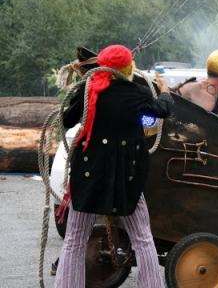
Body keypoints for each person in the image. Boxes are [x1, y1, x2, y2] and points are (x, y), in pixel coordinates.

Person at [55, 44, 173, 287]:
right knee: (142, 238)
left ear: (103, 66)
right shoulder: (138, 92)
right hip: (126, 176)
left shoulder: (89, 90)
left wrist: (79, 91)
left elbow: (66, 120)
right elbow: (163, 110)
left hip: (89, 174)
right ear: (129, 67)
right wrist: (164, 91)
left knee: (75, 239)